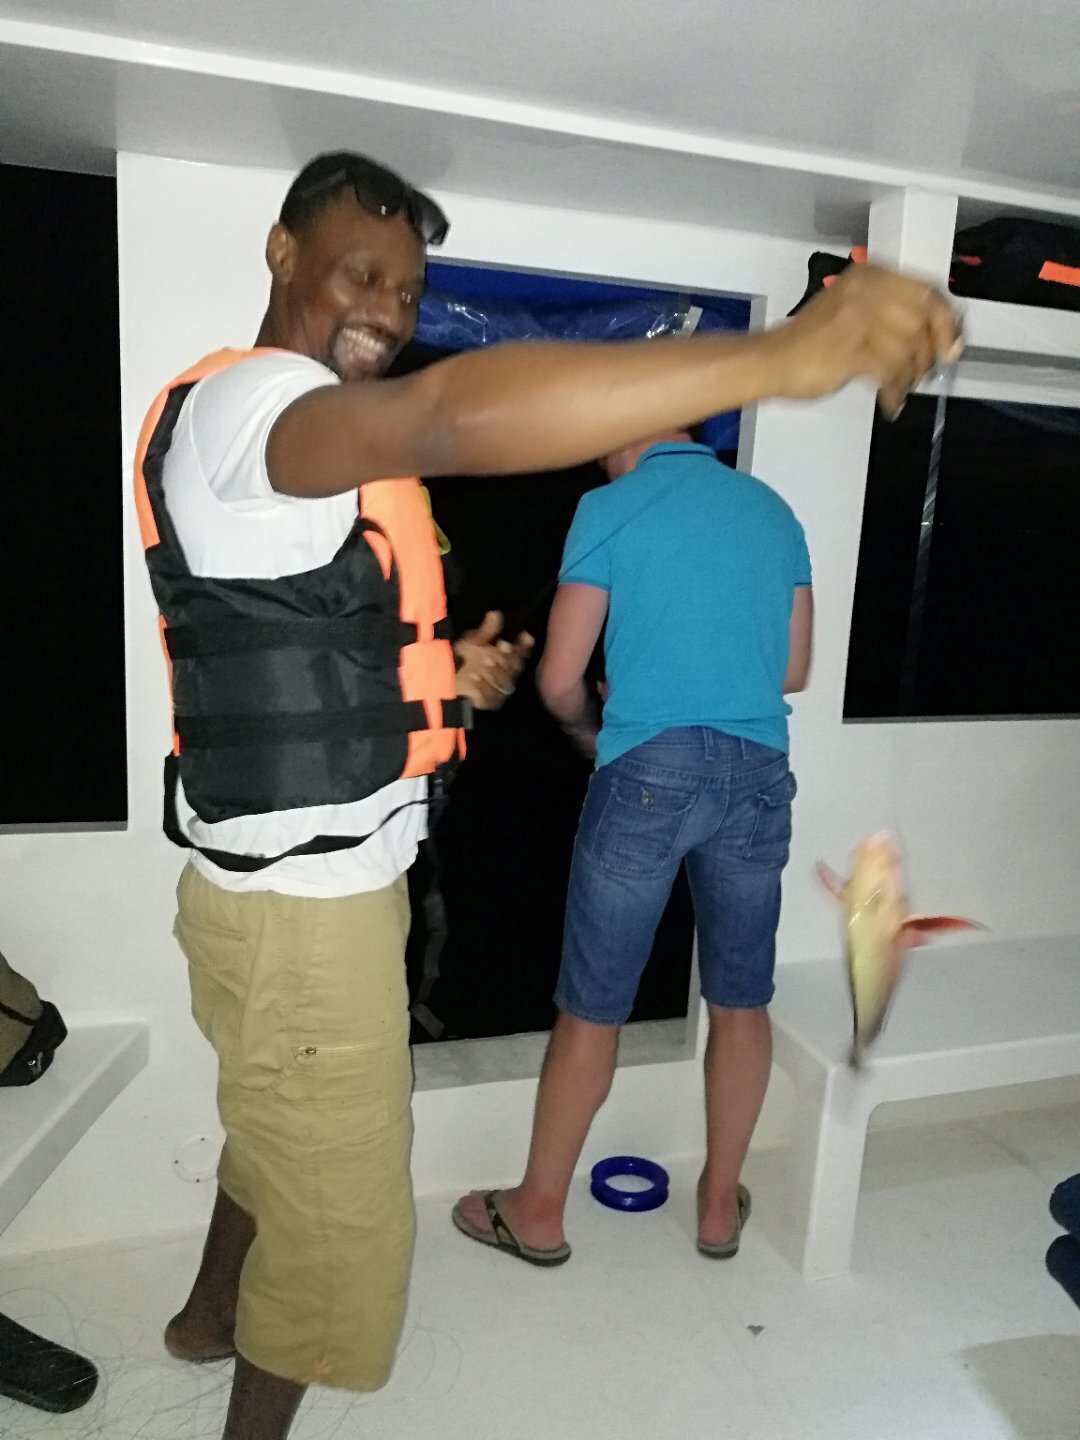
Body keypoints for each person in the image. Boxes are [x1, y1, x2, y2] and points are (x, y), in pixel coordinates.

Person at [136, 147, 959, 1440]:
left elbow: (381, 659)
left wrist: (458, 686)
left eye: (410, 290)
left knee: (310, 1112)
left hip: (297, 876)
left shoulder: (276, 435)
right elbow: (451, 418)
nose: (390, 309)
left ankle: (248, 1301)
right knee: (340, 1230)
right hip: (354, 896)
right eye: (362, 273)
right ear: (282, 254)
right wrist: (776, 355)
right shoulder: (262, 404)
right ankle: (710, 1204)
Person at [452, 430, 812, 1265]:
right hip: (758, 773)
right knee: (741, 998)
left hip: (650, 770)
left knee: (593, 1004)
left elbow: (557, 680)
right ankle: (717, 1206)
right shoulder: (770, 509)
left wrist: (595, 726)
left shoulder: (607, 507)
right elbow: (791, 670)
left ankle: (539, 1212)